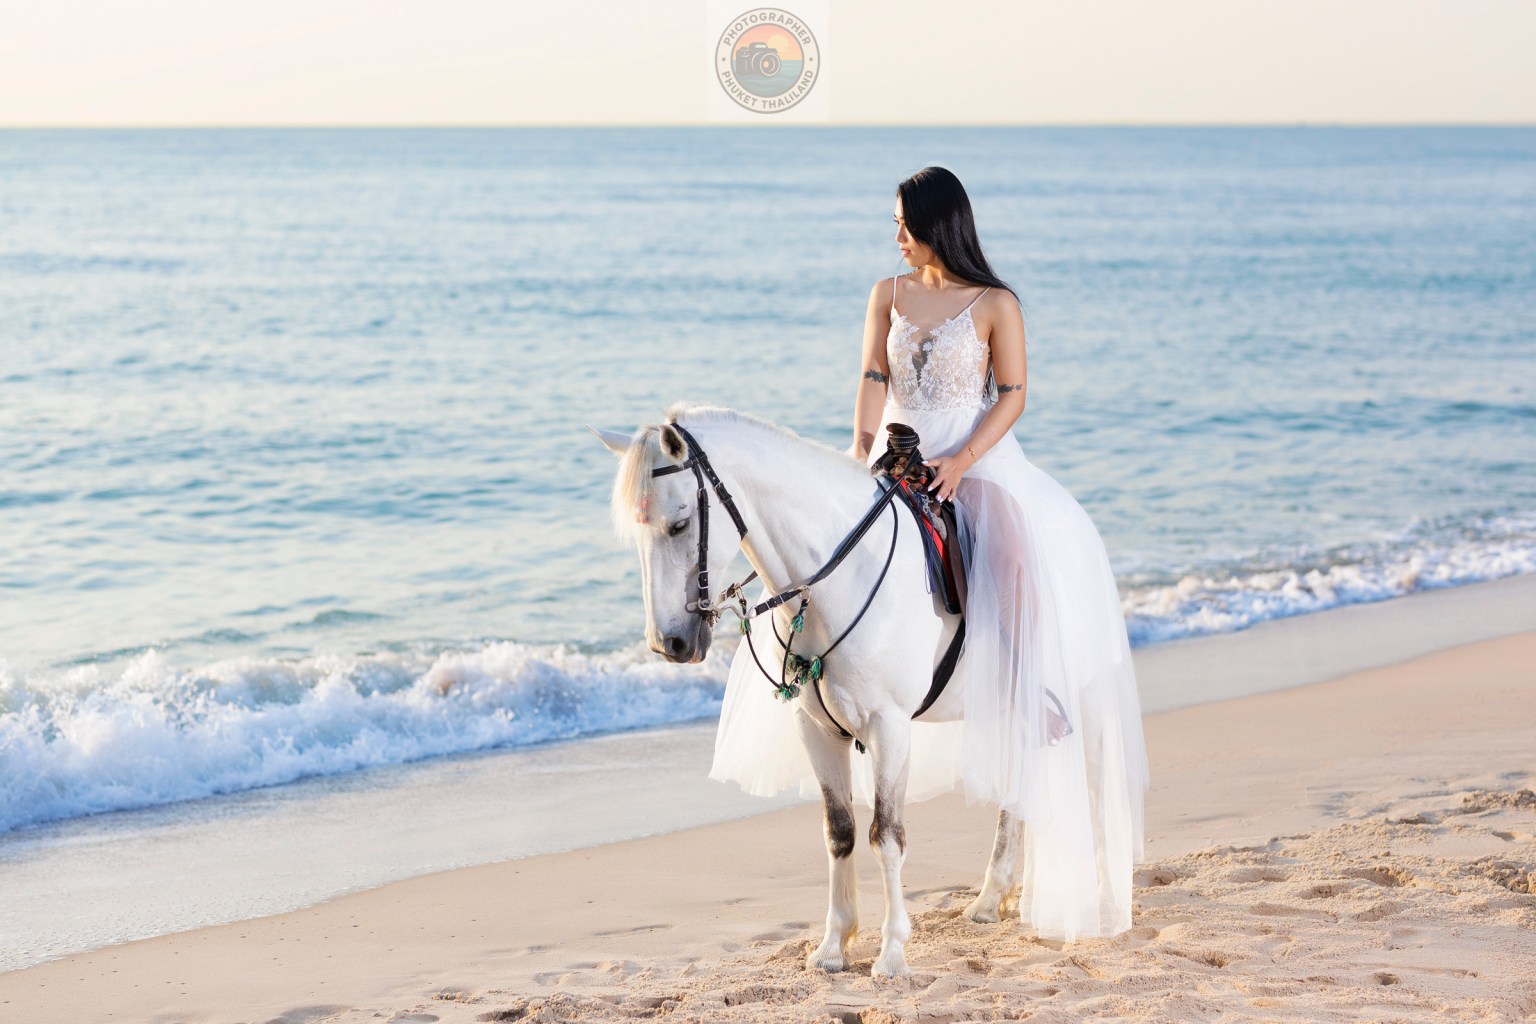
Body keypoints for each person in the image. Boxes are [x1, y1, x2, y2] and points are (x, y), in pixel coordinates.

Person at [712, 166, 1149, 940]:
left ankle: (1034, 691)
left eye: (904, 223)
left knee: (1010, 559)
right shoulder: (887, 293)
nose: (896, 235)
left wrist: (963, 462)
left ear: (938, 223)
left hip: (971, 463)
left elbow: (1013, 394)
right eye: (893, 223)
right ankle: (813, 681)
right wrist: (858, 450)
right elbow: (872, 375)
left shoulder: (996, 303)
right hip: (893, 457)